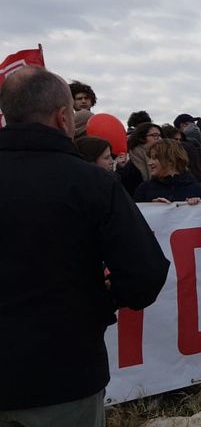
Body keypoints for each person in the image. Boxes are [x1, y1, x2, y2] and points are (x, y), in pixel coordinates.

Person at [0, 67, 169, 427]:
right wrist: (107, 298)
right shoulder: (93, 183)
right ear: (63, 117)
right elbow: (145, 272)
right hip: (63, 376)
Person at [134, 139, 201, 204]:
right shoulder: (144, 189)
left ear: (170, 160)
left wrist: (197, 207)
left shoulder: (198, 190)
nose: (149, 163)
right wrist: (153, 209)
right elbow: (135, 219)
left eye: (154, 158)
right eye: (150, 158)